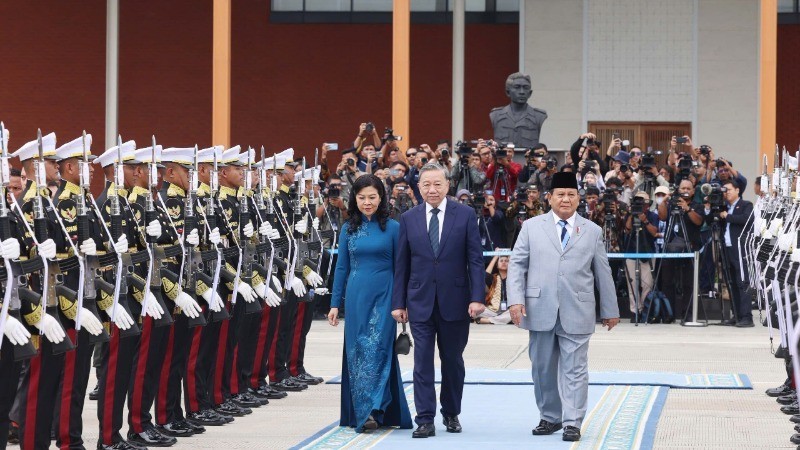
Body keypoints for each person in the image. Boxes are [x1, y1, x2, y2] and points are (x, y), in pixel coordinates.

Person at [507, 171, 619, 443]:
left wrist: (610, 309)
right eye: (560, 194)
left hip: (577, 308)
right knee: (542, 368)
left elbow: (602, 271)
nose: (565, 199)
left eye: (571, 194)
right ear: (550, 198)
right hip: (539, 306)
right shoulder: (531, 227)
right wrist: (515, 300)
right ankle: (550, 416)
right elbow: (517, 265)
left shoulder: (592, 231)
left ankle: (572, 421)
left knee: (576, 369)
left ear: (579, 198)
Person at [392, 163, 485, 438]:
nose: (432, 190)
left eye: (437, 185)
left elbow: (475, 260)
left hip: (455, 300)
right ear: (418, 188)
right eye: (426, 185)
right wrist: (399, 302)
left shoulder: (465, 215)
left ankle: (451, 412)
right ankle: (425, 418)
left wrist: (477, 297)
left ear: (447, 186)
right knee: (421, 361)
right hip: (419, 300)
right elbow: (402, 264)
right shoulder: (408, 218)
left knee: (453, 361)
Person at [328, 174, 412, 433]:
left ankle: (373, 410)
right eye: (362, 197)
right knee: (358, 352)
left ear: (381, 197)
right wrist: (334, 304)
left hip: (386, 295)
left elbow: (402, 269)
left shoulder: (394, 228)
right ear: (354, 198)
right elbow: (341, 267)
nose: (367, 202)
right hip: (356, 297)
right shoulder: (348, 229)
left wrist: (403, 302)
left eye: (372, 197)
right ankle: (364, 409)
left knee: (378, 349)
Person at [476, 253, 512, 325]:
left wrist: (511, 257)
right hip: (492, 310)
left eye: (506, 261)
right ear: (497, 265)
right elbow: (485, 275)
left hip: (508, 311)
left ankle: (488, 320)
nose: (504, 262)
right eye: (501, 261)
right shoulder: (493, 278)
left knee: (516, 313)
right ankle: (501, 319)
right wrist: (495, 256)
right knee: (475, 311)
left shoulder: (514, 279)